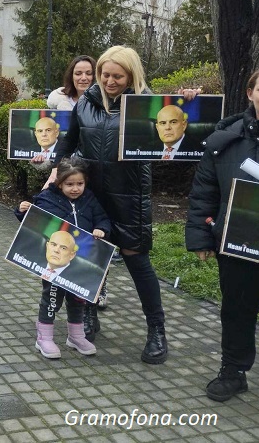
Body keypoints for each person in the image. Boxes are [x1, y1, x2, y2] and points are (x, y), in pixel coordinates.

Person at [48, 45, 198, 363]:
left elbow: (176, 135)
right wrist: (55, 168)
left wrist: (188, 102)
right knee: (90, 259)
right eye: (105, 74)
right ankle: (87, 315)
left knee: (138, 265)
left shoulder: (147, 105)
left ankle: (157, 331)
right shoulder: (86, 103)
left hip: (130, 198)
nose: (110, 81)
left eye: (118, 76)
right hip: (91, 197)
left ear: (132, 76)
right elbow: (68, 141)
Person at [186, 64, 259, 410]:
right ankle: (233, 371)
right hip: (239, 246)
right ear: (250, 93)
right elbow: (204, 191)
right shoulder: (224, 139)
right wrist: (201, 236)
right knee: (237, 310)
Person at [17, 157, 111, 358]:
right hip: (54, 264)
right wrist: (22, 211)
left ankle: (75, 335)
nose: (75, 188)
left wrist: (101, 229)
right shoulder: (46, 199)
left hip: (79, 262)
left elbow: (102, 218)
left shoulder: (90, 200)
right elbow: (33, 222)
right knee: (51, 299)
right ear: (59, 183)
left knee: (78, 300)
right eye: (69, 184)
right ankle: (44, 338)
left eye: (80, 184)